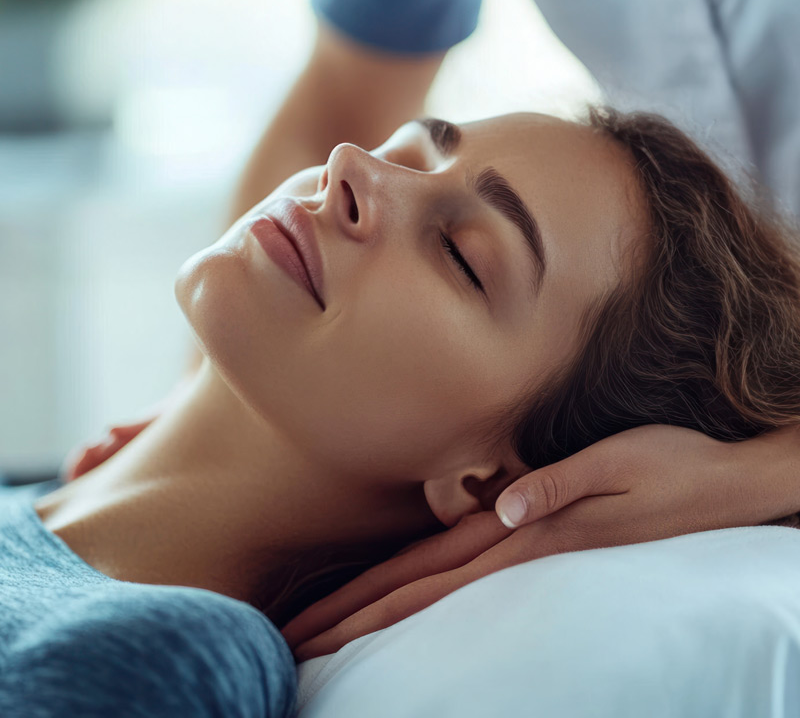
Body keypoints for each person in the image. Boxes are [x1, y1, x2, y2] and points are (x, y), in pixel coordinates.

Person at [5, 106, 800, 715]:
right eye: (407, 150)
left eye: (461, 255)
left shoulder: (156, 659)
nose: (353, 167)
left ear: (489, 484)